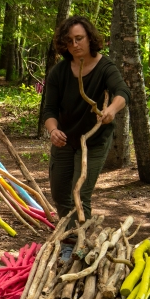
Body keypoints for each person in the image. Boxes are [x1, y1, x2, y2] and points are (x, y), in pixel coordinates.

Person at [42, 15, 130, 259]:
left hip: (93, 140)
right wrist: (53, 131)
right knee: (60, 193)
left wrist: (111, 110)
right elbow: (49, 110)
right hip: (64, 138)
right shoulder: (59, 72)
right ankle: (71, 237)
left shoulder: (105, 68)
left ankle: (76, 245)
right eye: (69, 41)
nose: (75, 45)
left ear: (90, 38)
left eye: (79, 38)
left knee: (79, 192)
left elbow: (122, 92)